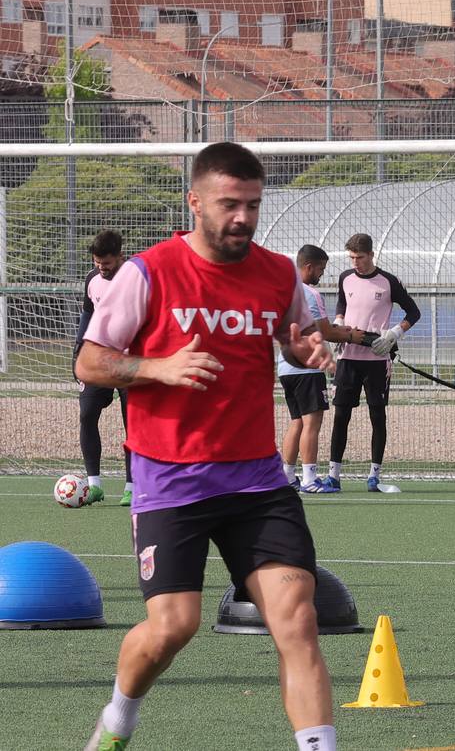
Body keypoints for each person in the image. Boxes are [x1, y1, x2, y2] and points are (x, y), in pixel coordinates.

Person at [76, 141, 337, 751]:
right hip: (171, 480)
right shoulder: (148, 272)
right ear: (195, 202)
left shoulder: (277, 273)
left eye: (252, 205)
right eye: (229, 205)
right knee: (173, 628)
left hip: (257, 483)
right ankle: (117, 720)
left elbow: (293, 338)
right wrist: (157, 368)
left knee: (298, 621)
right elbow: (89, 363)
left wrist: (309, 351)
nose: (242, 218)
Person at [315, 232, 420, 493]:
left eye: (360, 257)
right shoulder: (345, 278)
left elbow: (413, 312)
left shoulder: (388, 282)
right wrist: (338, 324)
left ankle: (374, 475)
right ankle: (334, 475)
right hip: (348, 357)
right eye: (351, 257)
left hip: (377, 357)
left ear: (371, 255)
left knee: (377, 415)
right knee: (341, 415)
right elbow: (342, 303)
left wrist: (395, 333)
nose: (355, 262)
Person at [278, 244, 367, 493]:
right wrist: (352, 336)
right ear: (309, 266)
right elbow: (324, 331)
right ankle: (309, 479)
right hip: (307, 368)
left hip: (286, 367)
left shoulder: (284, 290)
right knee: (312, 424)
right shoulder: (310, 294)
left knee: (296, 421)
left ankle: (287, 477)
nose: (321, 274)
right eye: (321, 269)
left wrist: (344, 332)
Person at [75, 228, 133, 506]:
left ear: (119, 256)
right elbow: (87, 316)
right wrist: (78, 353)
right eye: (97, 263)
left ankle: (132, 485)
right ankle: (94, 485)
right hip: (98, 360)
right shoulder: (91, 279)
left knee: (133, 424)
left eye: (106, 264)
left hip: (130, 361)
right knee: (87, 413)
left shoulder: (136, 278)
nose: (101, 268)